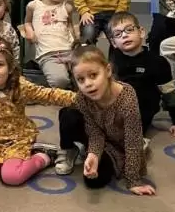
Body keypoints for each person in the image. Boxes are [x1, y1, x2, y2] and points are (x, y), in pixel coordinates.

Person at [0, 38, 76, 185]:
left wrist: (78, 98)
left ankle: (44, 156)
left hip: (16, 139)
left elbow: (47, 94)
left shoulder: (20, 85)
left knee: (12, 177)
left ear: (10, 67)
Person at [57, 45, 155, 195]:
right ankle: (69, 151)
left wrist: (133, 181)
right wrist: (94, 154)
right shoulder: (82, 98)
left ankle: (142, 145)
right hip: (97, 137)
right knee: (67, 114)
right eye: (81, 79)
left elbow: (132, 140)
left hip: (118, 145)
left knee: (94, 180)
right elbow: (94, 131)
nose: (88, 84)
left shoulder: (127, 96)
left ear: (108, 71)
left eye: (93, 75)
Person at [108, 12, 175, 138]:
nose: (124, 35)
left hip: (142, 109)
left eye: (129, 29)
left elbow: (169, 94)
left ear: (141, 32)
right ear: (113, 43)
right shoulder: (113, 62)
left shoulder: (157, 62)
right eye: (118, 34)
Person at [24, 0, 78, 89]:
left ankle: (71, 88)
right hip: (48, 54)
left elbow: (69, 25)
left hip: (69, 51)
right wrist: (30, 31)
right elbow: (27, 22)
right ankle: (61, 89)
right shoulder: (34, 6)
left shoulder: (67, 7)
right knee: (60, 81)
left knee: (86, 75)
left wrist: (75, 40)